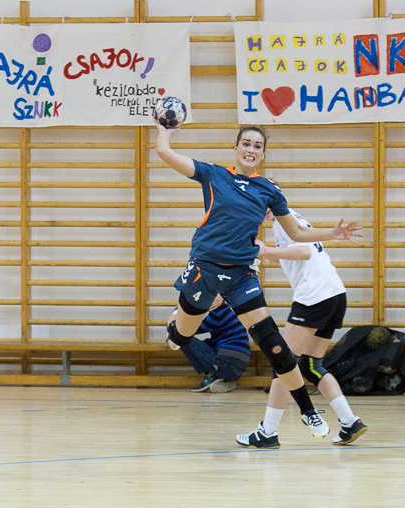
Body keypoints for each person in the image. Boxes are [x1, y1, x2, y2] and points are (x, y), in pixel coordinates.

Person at [153, 118, 362, 439]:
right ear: (236, 148)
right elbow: (165, 154)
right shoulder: (214, 174)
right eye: (246, 144)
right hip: (203, 270)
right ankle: (176, 329)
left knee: (274, 345)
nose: (251, 149)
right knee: (181, 336)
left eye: (258, 146)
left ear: (263, 154)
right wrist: (164, 133)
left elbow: (297, 233)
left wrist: (332, 234)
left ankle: (308, 412)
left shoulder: (269, 190)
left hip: (241, 275)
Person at [235, 208, 367, 449]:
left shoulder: (283, 222)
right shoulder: (291, 218)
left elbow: (304, 252)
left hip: (314, 296)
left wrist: (266, 250)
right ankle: (349, 421)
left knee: (283, 363)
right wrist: (266, 254)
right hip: (335, 293)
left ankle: (268, 431)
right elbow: (294, 254)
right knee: (311, 365)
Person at [173, 293, 251, 393]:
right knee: (205, 342)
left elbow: (188, 330)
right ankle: (223, 379)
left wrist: (178, 311)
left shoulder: (218, 314)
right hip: (236, 369)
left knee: (182, 339)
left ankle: (211, 374)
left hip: (226, 366)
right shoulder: (227, 311)